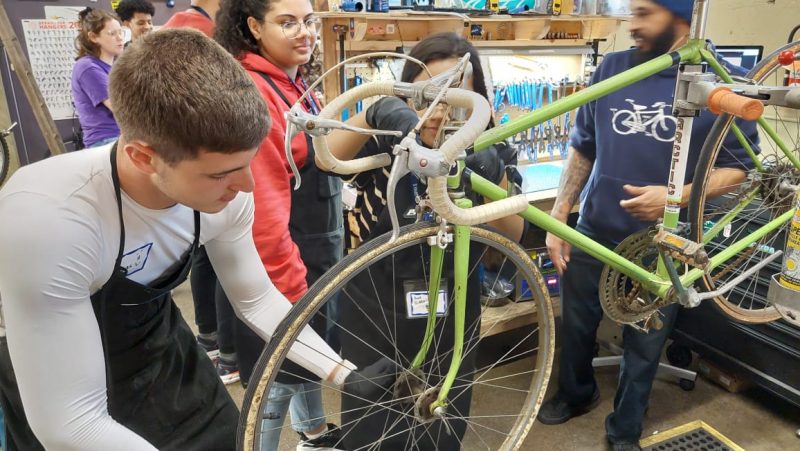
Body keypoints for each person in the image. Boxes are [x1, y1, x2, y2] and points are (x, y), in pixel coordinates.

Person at [0, 29, 388, 450]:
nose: (245, 186)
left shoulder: (230, 188)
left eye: (248, 164)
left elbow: (255, 298)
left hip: (158, 350)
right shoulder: (50, 220)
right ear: (143, 157)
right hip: (53, 369)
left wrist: (341, 373)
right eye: (220, 173)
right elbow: (71, 423)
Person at [536, 1, 758, 450]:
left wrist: (674, 196)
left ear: (681, 17)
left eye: (644, 13)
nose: (632, 25)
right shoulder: (613, 69)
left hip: (662, 243)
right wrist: (560, 215)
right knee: (576, 323)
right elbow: (584, 146)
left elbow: (738, 169)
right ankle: (576, 394)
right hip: (595, 228)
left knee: (645, 342)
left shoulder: (721, 80)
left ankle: (625, 431)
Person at [323, 32, 524, 450]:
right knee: (371, 421)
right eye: (427, 94)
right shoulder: (389, 137)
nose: (439, 110)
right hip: (375, 305)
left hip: (453, 304)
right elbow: (327, 156)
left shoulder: (492, 146)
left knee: (442, 418)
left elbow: (515, 232)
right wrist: (376, 110)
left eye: (456, 97)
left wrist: (489, 174)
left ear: (478, 100)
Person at [215, 0, 345, 449]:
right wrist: (291, 296)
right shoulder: (254, 90)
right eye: (287, 23)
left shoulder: (291, 80)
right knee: (276, 377)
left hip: (311, 252)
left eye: (308, 21)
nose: (304, 33)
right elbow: (264, 210)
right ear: (253, 26)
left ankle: (312, 432)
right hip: (281, 269)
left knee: (303, 361)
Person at [162, 0, 239, 385]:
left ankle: (210, 339)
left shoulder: (175, 24)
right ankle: (225, 353)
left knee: (207, 254)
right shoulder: (200, 33)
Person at [71, 8, 123, 148]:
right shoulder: (88, 67)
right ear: (94, 37)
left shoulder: (115, 66)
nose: (120, 38)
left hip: (121, 136)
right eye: (112, 34)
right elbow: (120, 107)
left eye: (120, 32)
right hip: (105, 140)